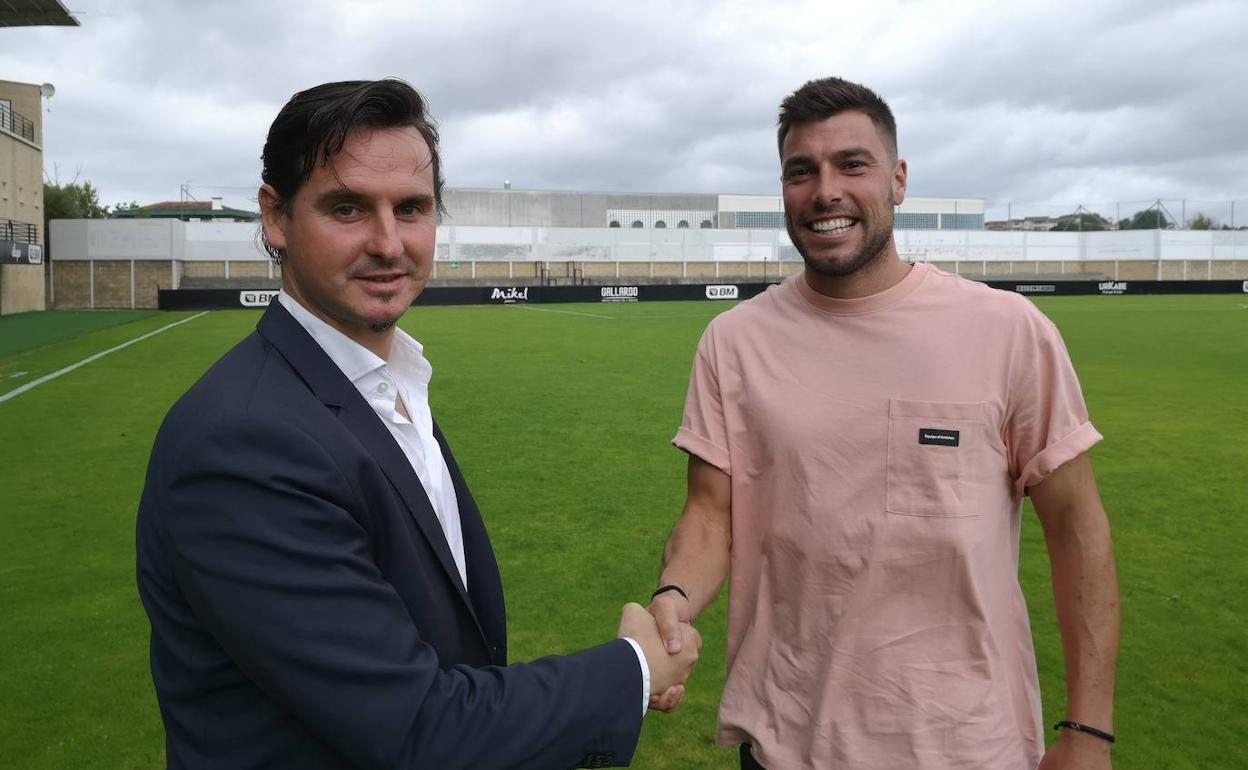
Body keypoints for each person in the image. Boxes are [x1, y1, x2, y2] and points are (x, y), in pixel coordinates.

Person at [135, 79, 699, 770]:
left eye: (411, 208)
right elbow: (419, 730)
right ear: (276, 218)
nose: (388, 242)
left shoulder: (388, 382)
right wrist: (633, 671)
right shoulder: (243, 441)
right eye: (347, 208)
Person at [647, 77, 1120, 770]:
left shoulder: (1009, 332)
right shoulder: (733, 342)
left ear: (898, 180)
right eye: (800, 171)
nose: (825, 190)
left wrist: (1089, 731)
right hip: (786, 743)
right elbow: (711, 516)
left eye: (852, 165)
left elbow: (1078, 531)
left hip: (967, 747)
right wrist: (674, 597)